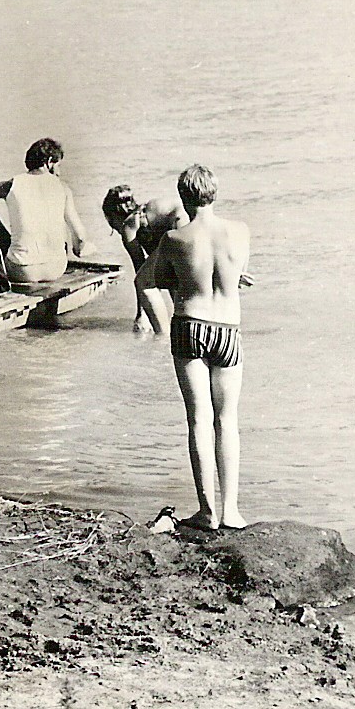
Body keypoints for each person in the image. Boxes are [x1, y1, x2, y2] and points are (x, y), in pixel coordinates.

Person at [136, 164, 251, 531]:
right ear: (214, 193)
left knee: (199, 419)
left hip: (190, 326)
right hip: (228, 329)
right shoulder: (240, 231)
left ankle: (207, 512)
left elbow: (157, 280)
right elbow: (235, 272)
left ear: (183, 197)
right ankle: (231, 511)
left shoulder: (173, 238)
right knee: (227, 420)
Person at [0, 137, 96, 283]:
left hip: (21, 271)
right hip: (56, 269)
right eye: (58, 166)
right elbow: (80, 237)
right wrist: (78, 250)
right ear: (49, 162)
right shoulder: (63, 188)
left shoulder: (10, 185)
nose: (59, 172)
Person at [101, 183, 189, 332]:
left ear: (113, 216)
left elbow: (141, 270)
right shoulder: (145, 213)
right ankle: (182, 325)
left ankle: (162, 335)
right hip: (191, 224)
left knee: (143, 281)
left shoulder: (129, 225)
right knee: (172, 280)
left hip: (179, 227)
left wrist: (141, 315)